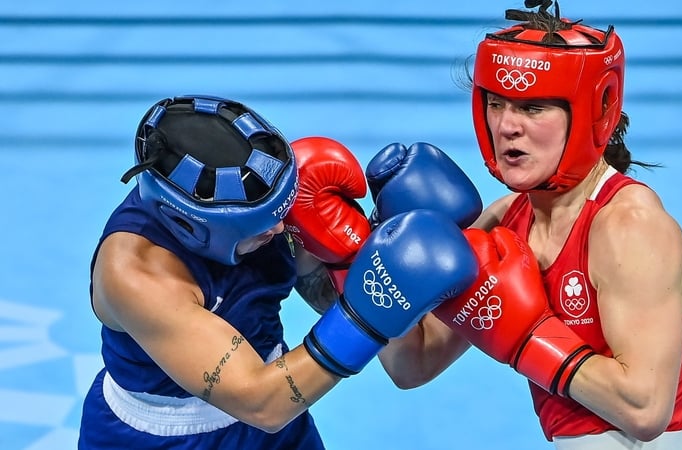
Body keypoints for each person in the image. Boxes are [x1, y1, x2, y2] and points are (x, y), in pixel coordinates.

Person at [377, 1, 682, 448]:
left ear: (593, 112)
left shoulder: (629, 227)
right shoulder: (504, 222)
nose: (508, 125)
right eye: (496, 103)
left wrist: (529, 339)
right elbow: (412, 366)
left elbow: (645, 409)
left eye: (533, 108)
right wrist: (360, 259)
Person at [77, 95, 481, 449]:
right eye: (260, 225)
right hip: (169, 437)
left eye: (279, 212)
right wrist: (366, 315)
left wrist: (362, 253)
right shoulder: (137, 275)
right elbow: (261, 402)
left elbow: (403, 363)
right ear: (191, 226)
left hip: (280, 425)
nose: (278, 229)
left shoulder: (257, 200)